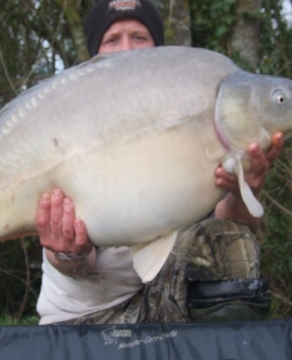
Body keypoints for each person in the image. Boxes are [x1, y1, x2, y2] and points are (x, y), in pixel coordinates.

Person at [36, 0, 284, 325]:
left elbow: (230, 227)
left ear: (159, 51)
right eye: (113, 40)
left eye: (139, 37)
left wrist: (241, 190)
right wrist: (69, 251)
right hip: (82, 318)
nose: (127, 50)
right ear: (94, 57)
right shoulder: (68, 121)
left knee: (232, 241)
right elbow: (77, 267)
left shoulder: (190, 116)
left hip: (165, 297)